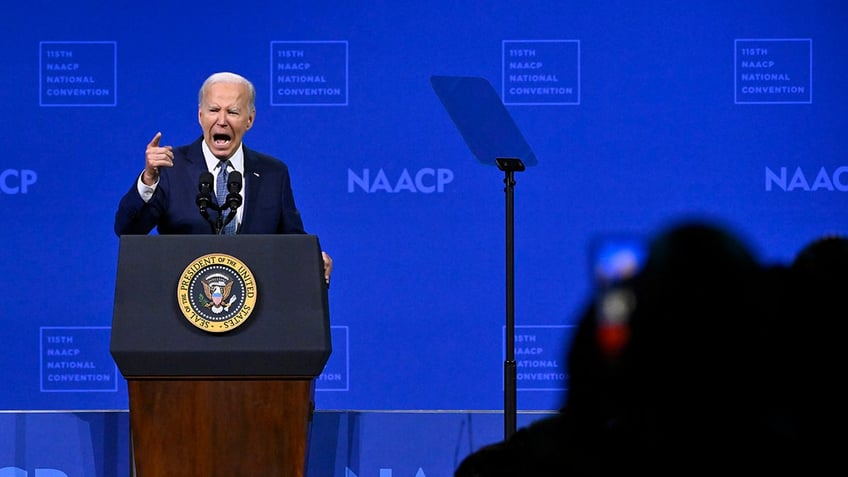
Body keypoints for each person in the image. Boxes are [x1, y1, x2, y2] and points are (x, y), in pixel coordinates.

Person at [114, 71, 332, 283]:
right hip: (181, 306)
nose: (222, 120)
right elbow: (128, 231)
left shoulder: (273, 173)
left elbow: (292, 241)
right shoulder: (170, 167)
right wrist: (149, 180)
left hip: (255, 308)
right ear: (200, 116)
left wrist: (311, 258)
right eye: (214, 110)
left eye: (233, 112)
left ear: (250, 119)